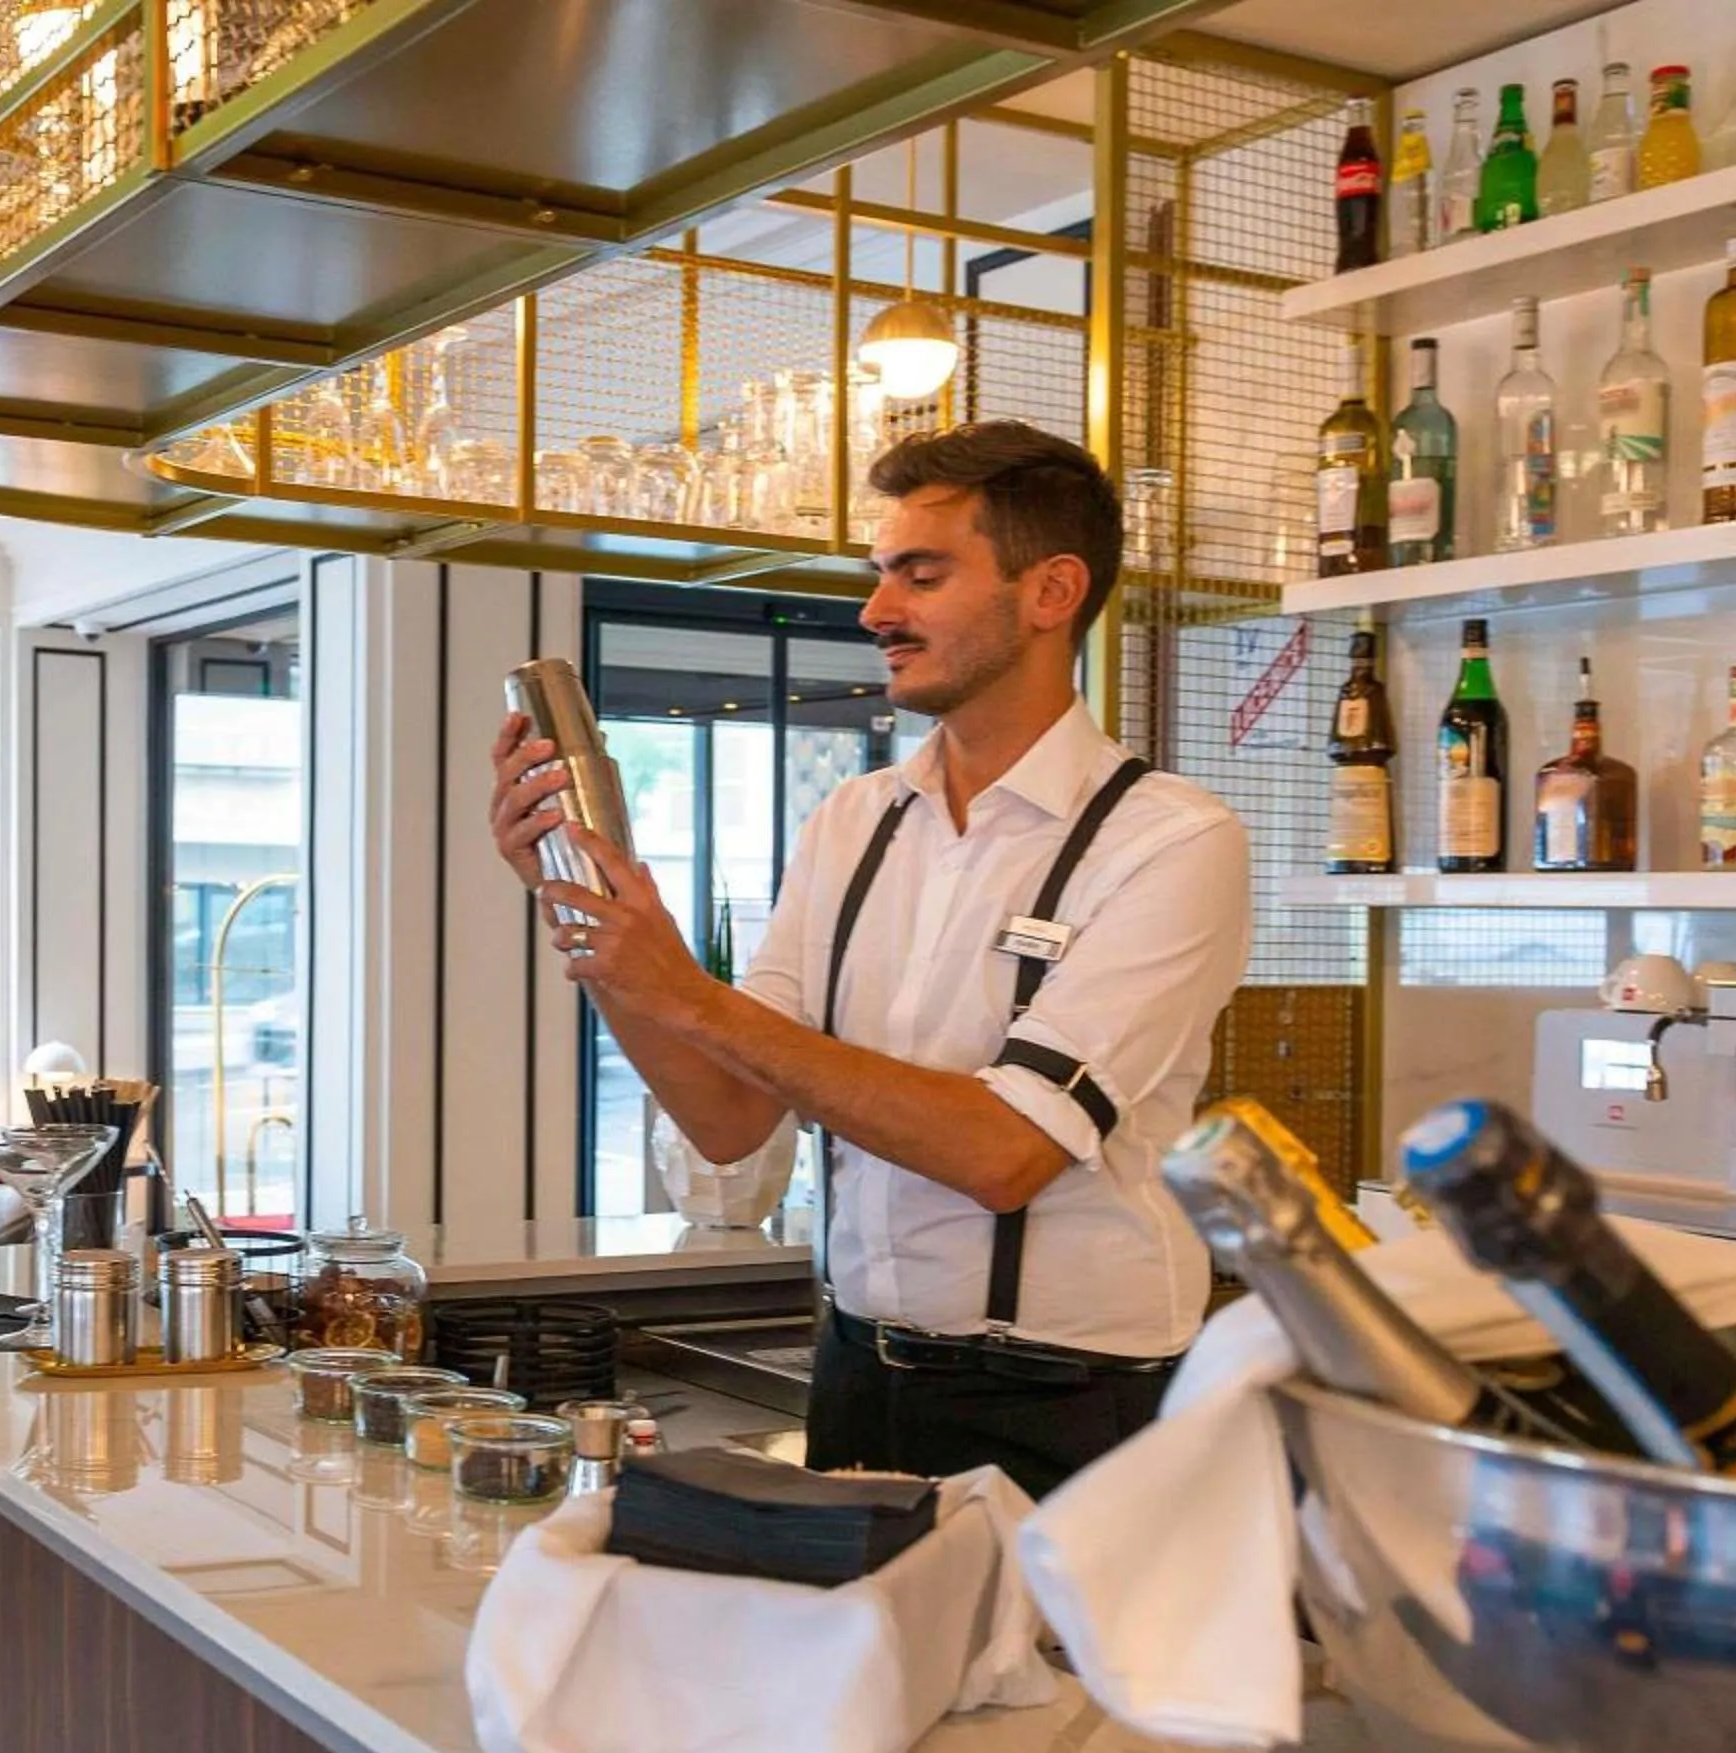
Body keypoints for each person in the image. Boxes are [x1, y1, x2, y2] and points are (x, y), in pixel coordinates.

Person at [487, 422, 1250, 1493]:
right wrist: (594, 918)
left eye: (921, 576)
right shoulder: (853, 821)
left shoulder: (1170, 841)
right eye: (879, 575)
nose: (876, 612)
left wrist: (692, 995)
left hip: (1072, 1405)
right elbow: (728, 1120)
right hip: (854, 1376)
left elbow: (1004, 1152)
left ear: (1052, 591)